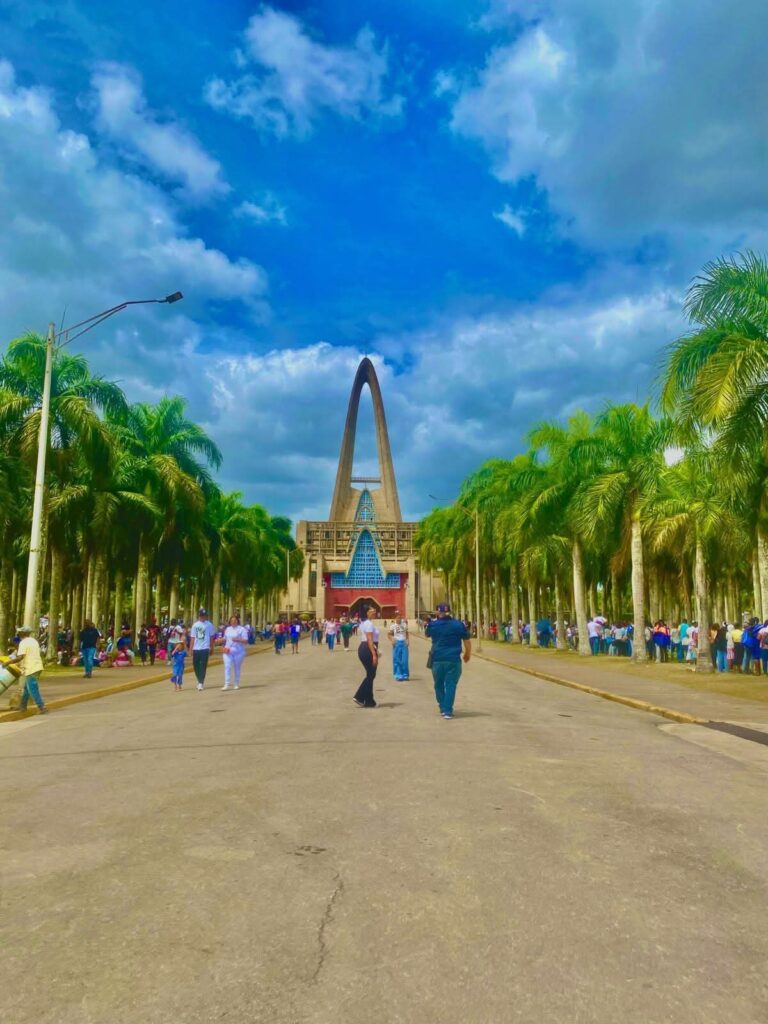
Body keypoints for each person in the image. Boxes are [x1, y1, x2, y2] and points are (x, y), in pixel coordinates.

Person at [425, 603, 471, 720]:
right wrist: (467, 654)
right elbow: (466, 640)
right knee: (451, 684)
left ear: (438, 612)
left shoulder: (433, 625)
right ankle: (448, 711)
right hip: (453, 659)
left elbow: (427, 634)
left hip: (438, 659)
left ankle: (442, 707)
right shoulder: (458, 624)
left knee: (438, 684)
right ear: (449, 612)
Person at [11, 625, 47, 714]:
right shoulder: (33, 641)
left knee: (32, 689)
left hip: (31, 668)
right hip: (37, 666)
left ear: (23, 633)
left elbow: (20, 657)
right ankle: (22, 706)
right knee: (27, 688)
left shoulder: (23, 643)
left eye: (19, 632)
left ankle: (41, 706)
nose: (18, 633)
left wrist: (8, 662)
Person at [353, 606, 379, 708]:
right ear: (367, 612)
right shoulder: (368, 624)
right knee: (371, 675)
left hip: (367, 648)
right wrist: (374, 654)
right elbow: (369, 640)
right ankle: (359, 696)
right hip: (367, 648)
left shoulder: (365, 623)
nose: (374, 612)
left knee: (370, 674)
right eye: (372, 610)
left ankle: (369, 701)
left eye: (375, 610)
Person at [188, 608, 216, 691]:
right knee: (195, 665)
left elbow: (211, 637)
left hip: (205, 648)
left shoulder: (209, 625)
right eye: (201, 615)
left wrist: (212, 647)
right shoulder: (195, 625)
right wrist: (190, 649)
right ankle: (199, 679)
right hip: (196, 648)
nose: (203, 617)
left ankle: (201, 682)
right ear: (199, 616)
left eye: (204, 616)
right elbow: (192, 637)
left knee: (203, 665)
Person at [219, 614, 249, 689]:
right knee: (227, 666)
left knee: (237, 667)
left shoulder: (242, 629)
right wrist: (219, 641)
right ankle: (226, 684)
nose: (233, 622)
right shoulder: (227, 629)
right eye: (231, 621)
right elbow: (225, 638)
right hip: (228, 650)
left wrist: (238, 640)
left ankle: (236, 683)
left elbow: (245, 641)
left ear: (237, 621)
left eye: (235, 620)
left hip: (238, 651)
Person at [388, 614, 410, 681]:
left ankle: (405, 675)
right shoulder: (393, 626)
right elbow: (389, 634)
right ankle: (398, 675)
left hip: (403, 643)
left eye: (400, 618)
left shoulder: (404, 625)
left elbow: (407, 633)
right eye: (397, 618)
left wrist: (407, 640)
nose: (399, 619)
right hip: (397, 643)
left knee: (405, 660)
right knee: (397, 660)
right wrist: (392, 640)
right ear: (395, 619)